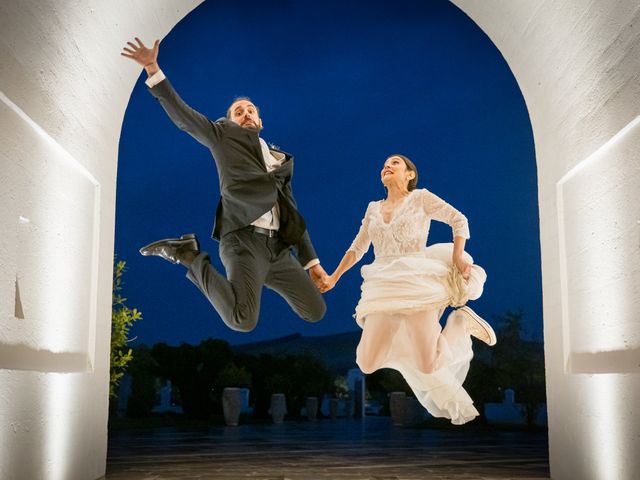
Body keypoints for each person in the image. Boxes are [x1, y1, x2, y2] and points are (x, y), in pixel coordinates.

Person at [120, 38, 328, 333]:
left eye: (250, 109)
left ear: (260, 119)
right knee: (243, 320)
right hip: (243, 242)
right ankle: (188, 255)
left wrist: (312, 262)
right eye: (238, 111)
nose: (245, 113)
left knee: (315, 310)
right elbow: (185, 118)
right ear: (229, 121)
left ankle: (257, 276)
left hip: (277, 250)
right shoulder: (223, 136)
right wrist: (153, 68)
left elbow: (292, 212)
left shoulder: (281, 162)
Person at [323, 154, 496, 425]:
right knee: (366, 362)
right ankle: (414, 339)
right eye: (384, 164)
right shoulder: (373, 209)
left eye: (395, 163)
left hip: (417, 285)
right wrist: (333, 277)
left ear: (410, 175)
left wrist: (458, 255)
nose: (387, 166)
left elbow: (458, 219)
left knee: (428, 364)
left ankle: (460, 322)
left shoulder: (421, 198)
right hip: (383, 287)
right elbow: (358, 247)